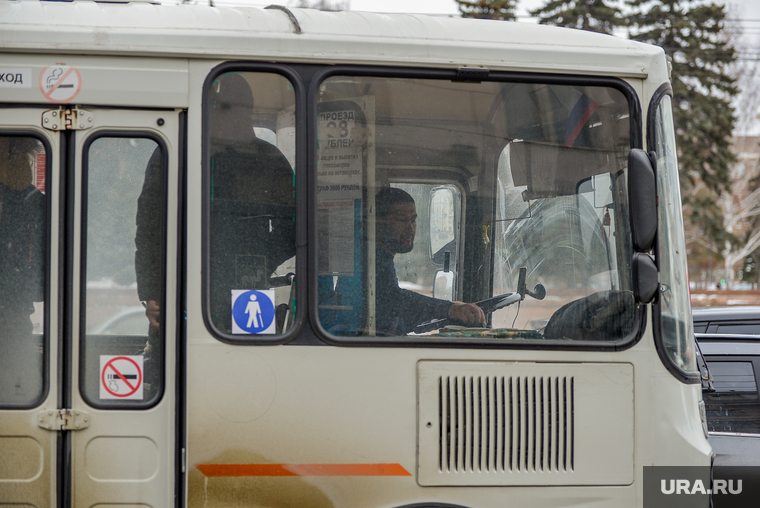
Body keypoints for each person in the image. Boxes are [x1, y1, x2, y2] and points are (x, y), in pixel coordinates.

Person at [374, 187, 485, 335]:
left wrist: (449, 313)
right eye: (401, 219)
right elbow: (393, 300)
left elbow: (397, 316)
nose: (410, 228)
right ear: (378, 223)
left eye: (413, 220)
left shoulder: (383, 259)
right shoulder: (374, 261)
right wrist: (449, 309)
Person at [0, 136, 45, 403]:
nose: (26, 167)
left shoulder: (34, 204)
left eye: (27, 160)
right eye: (18, 158)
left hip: (16, 314)